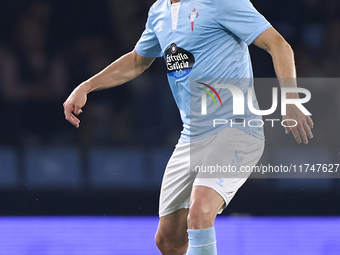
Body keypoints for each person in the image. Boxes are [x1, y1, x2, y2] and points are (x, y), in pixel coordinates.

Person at [63, 0, 314, 254]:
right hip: (192, 136)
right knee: (168, 241)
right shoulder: (158, 11)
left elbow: (279, 44)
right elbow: (138, 61)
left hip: (237, 128)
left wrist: (291, 99)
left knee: (200, 212)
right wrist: (87, 86)